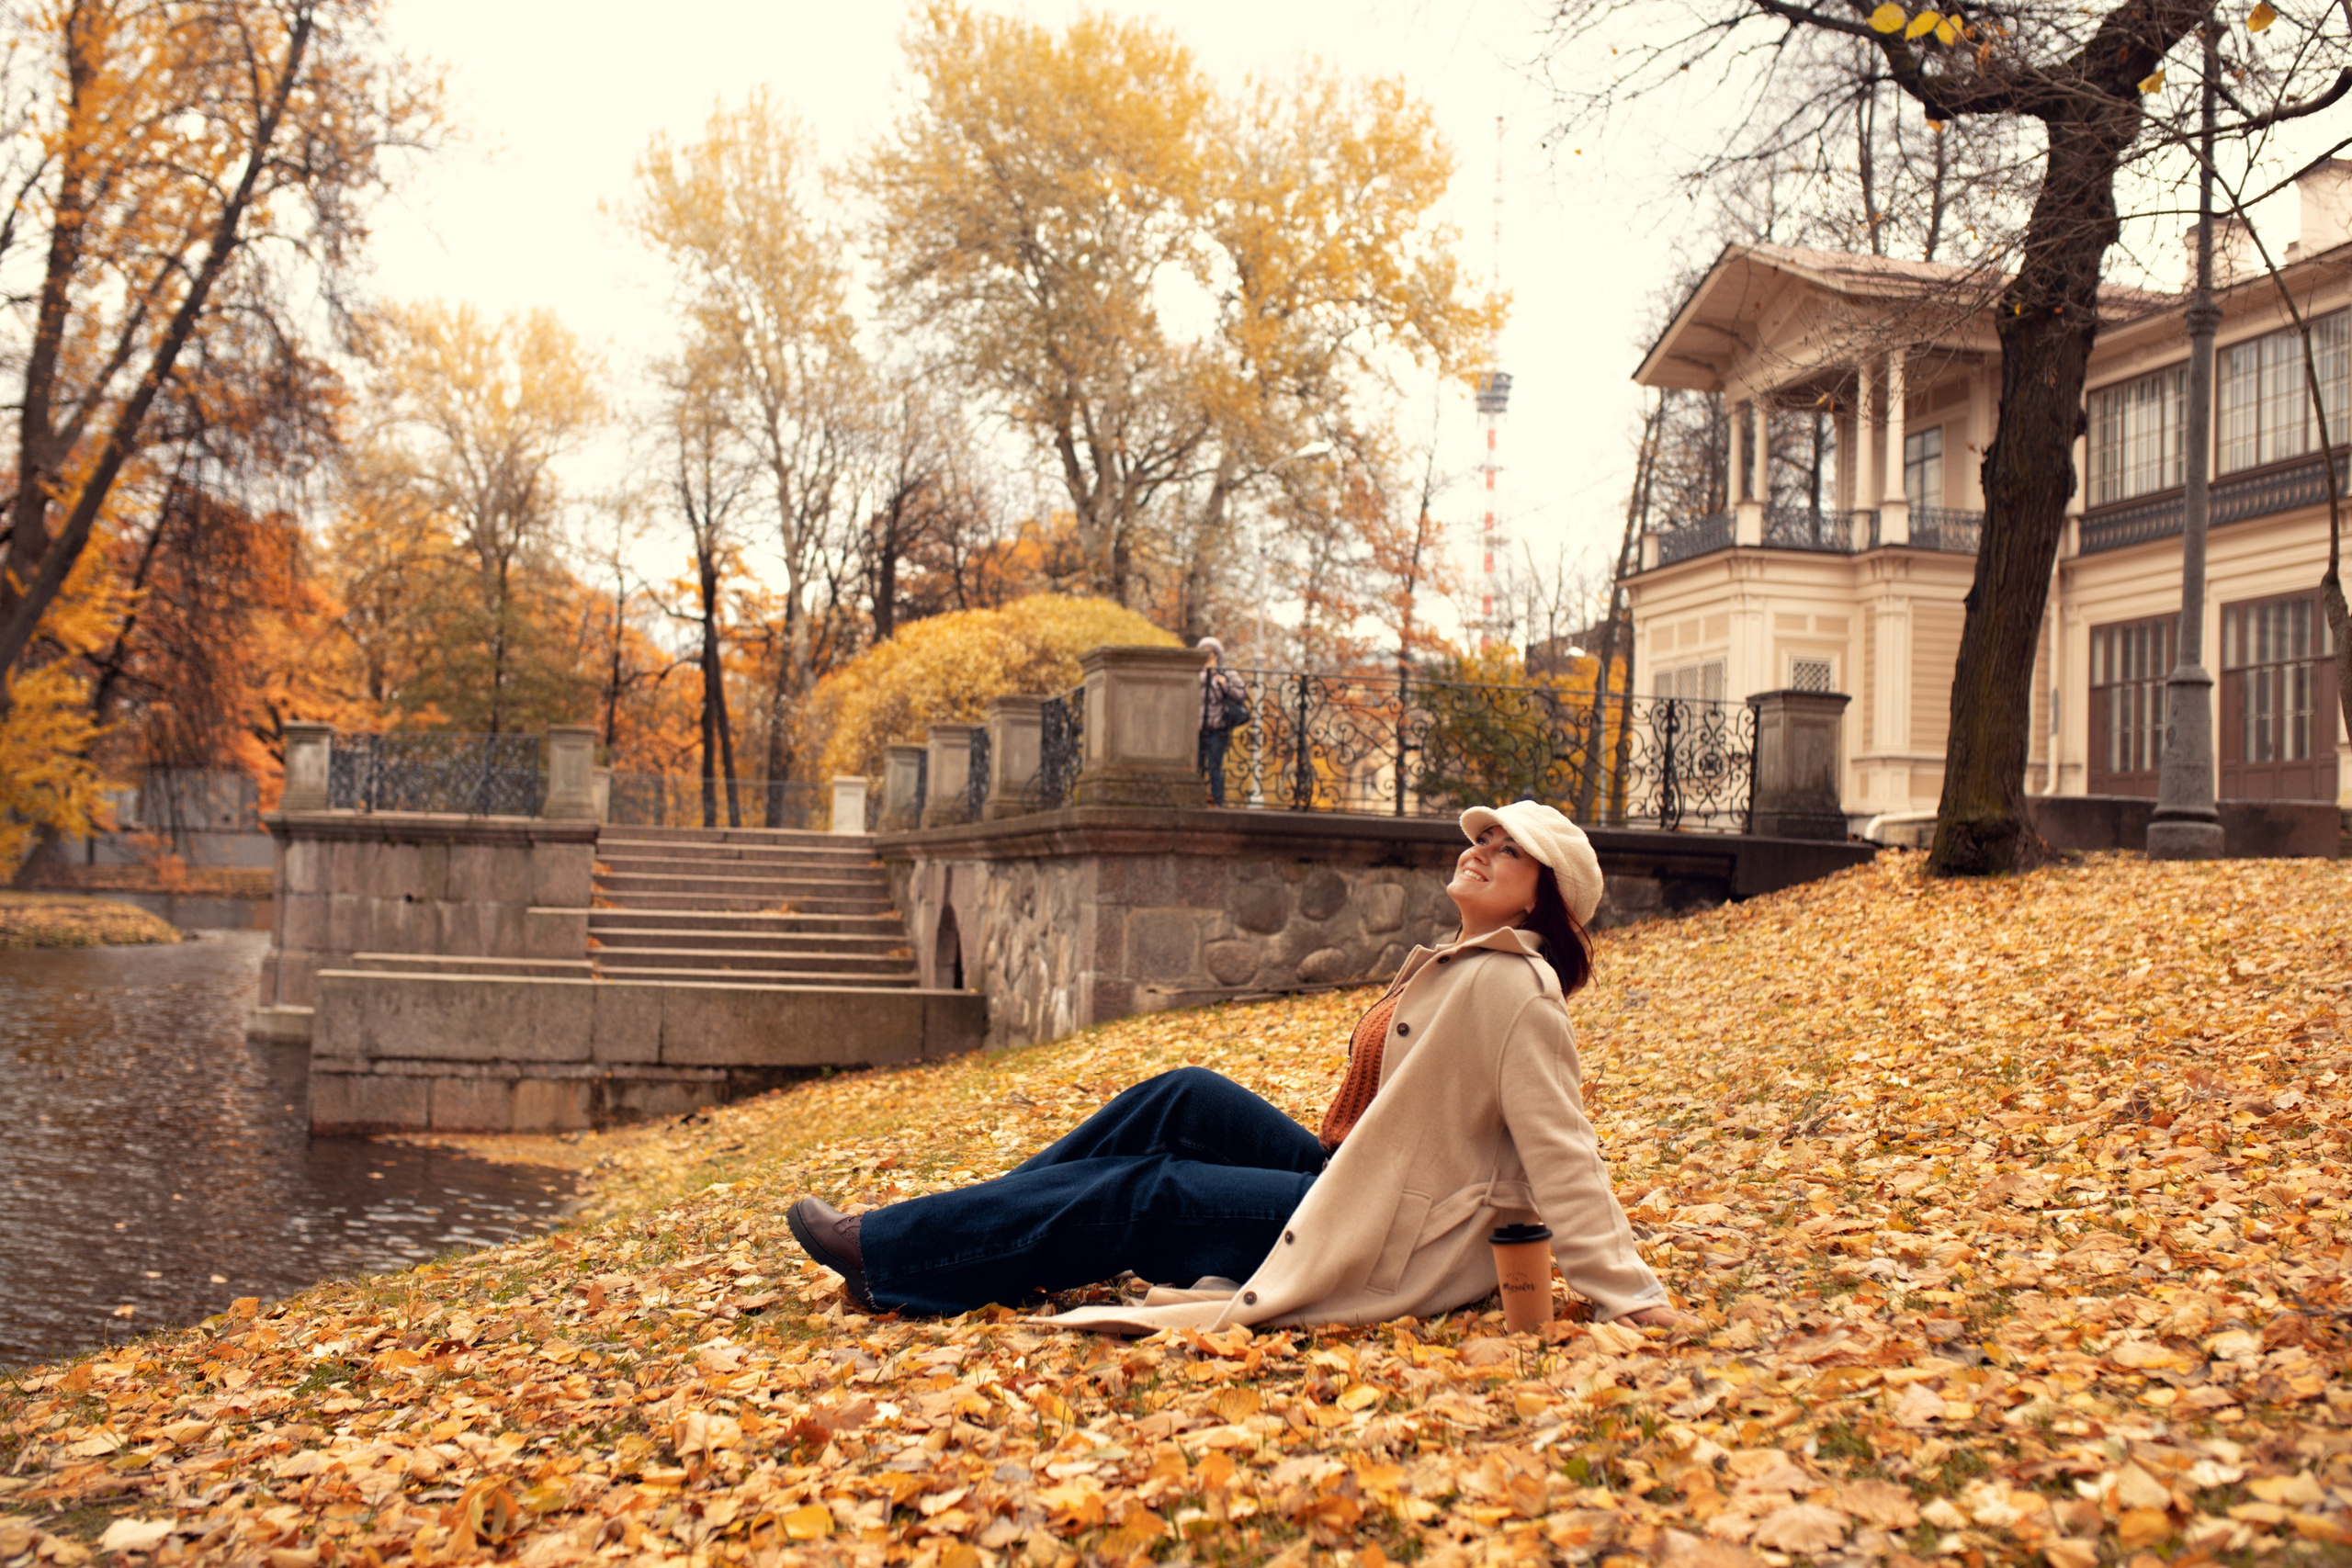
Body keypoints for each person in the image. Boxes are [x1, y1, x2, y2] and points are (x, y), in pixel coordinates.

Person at [786, 800, 1683, 1332]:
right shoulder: (1459, 966)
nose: (1478, 850)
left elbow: (1561, 1148)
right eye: (1480, 838)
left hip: (1380, 1235)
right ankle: (954, 1235)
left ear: (1544, 897)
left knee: (1149, 1190)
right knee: (1184, 1096)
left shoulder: (1516, 988)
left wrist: (1627, 1294)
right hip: (1348, 1179)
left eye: (1506, 849)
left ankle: (897, 1251)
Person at [1194, 637, 1247, 807]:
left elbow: (1241, 694)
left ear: (1217, 655)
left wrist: (1225, 685)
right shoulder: (1193, 674)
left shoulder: (1226, 674)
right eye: (1204, 652)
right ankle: (1194, 800)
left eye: (1211, 652)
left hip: (1217, 728)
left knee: (1214, 767)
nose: (1208, 656)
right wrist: (1205, 676)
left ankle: (1218, 802)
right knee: (1194, 767)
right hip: (1196, 728)